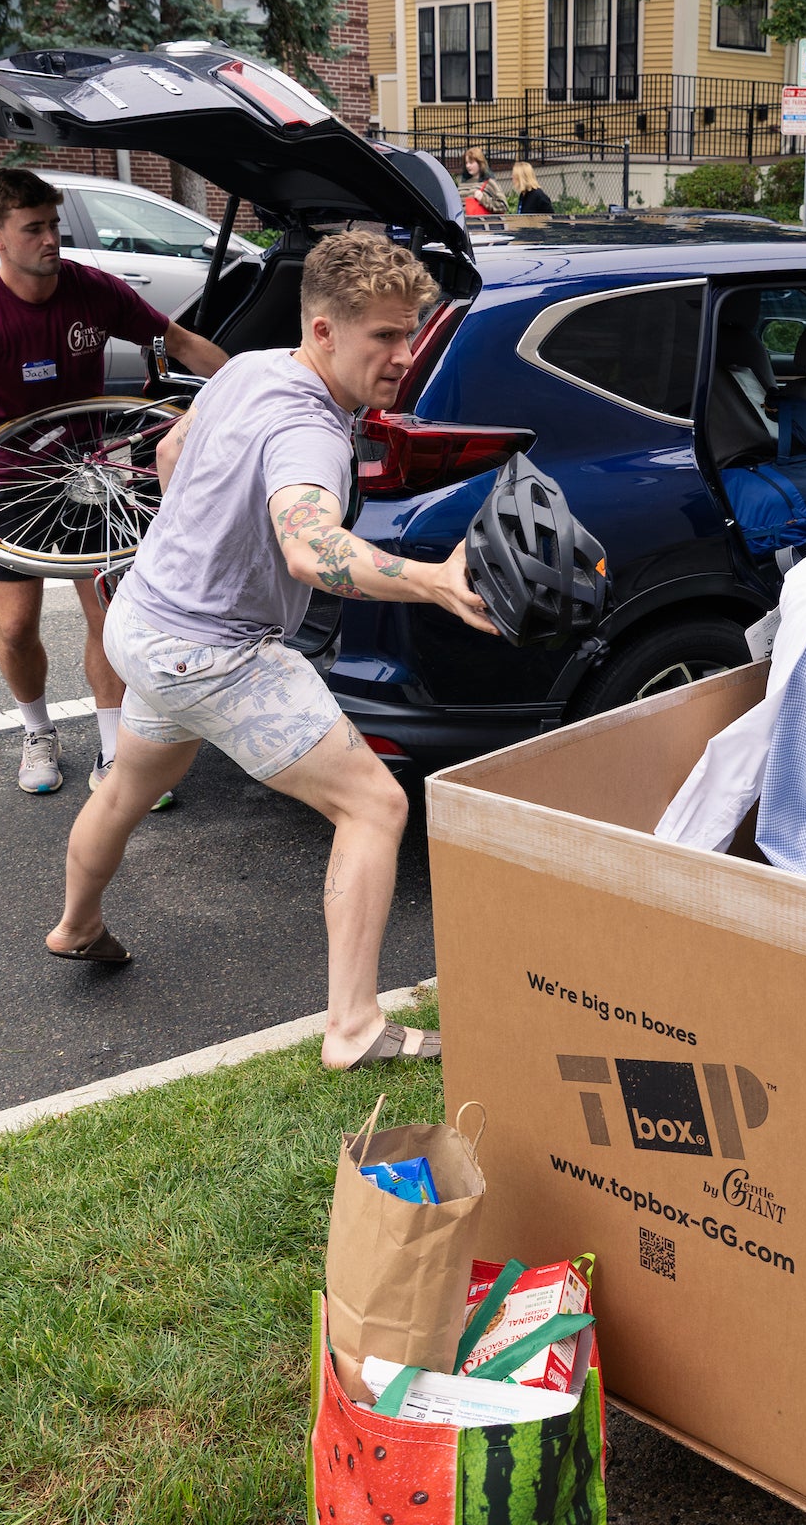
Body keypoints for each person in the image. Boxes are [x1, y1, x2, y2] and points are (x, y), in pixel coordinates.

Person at [47, 231, 495, 1071]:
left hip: (141, 623)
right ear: (324, 331)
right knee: (376, 806)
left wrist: (206, 540)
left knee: (134, 781)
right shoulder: (313, 431)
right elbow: (309, 547)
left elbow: (171, 451)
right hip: (214, 654)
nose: (405, 355)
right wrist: (433, 581)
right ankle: (355, 1027)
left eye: (411, 332)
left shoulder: (252, 366)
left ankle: (77, 925)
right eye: (384, 337)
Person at [0, 167, 229, 797]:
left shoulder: (94, 291)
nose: (50, 239)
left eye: (54, 225)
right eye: (33, 229)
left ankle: (115, 751)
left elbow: (183, 344)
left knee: (107, 615)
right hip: (10, 477)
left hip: (92, 473)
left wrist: (250, 390)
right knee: (15, 627)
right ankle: (37, 730)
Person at [461, 148, 508, 217]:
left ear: (480, 163)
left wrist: (483, 199)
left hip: (482, 225)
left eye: (471, 162)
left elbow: (503, 206)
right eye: (466, 163)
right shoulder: (462, 184)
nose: (468, 166)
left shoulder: (490, 183)